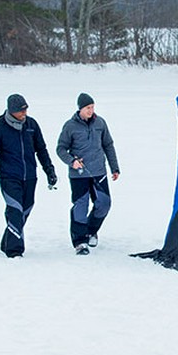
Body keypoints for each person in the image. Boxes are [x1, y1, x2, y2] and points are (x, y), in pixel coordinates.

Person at [0, 94, 57, 258]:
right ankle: (14, 250)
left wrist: (49, 170)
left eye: (25, 110)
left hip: (30, 176)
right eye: (21, 111)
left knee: (26, 209)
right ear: (11, 111)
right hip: (9, 177)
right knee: (15, 210)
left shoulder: (31, 125)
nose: (24, 113)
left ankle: (7, 242)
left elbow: (41, 149)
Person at [55, 92, 120, 255]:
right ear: (80, 109)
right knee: (80, 207)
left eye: (92, 107)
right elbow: (61, 149)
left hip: (99, 171)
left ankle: (91, 231)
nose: (91, 111)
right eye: (87, 108)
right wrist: (72, 161)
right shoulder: (70, 126)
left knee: (104, 204)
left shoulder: (100, 123)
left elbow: (108, 145)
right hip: (79, 174)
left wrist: (114, 167)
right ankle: (80, 242)